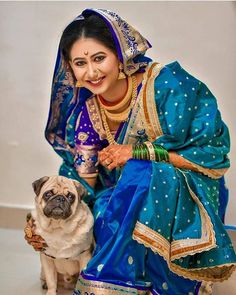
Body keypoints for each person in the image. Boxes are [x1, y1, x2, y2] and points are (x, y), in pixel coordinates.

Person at [25, 8, 236, 295]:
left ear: (121, 55)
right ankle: (121, 285)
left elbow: (212, 153)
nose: (91, 72)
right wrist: (44, 219)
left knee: (140, 171)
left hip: (187, 185)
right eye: (80, 63)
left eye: (99, 58)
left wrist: (138, 153)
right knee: (101, 208)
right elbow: (85, 185)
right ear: (70, 69)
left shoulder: (166, 86)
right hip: (125, 193)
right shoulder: (87, 113)